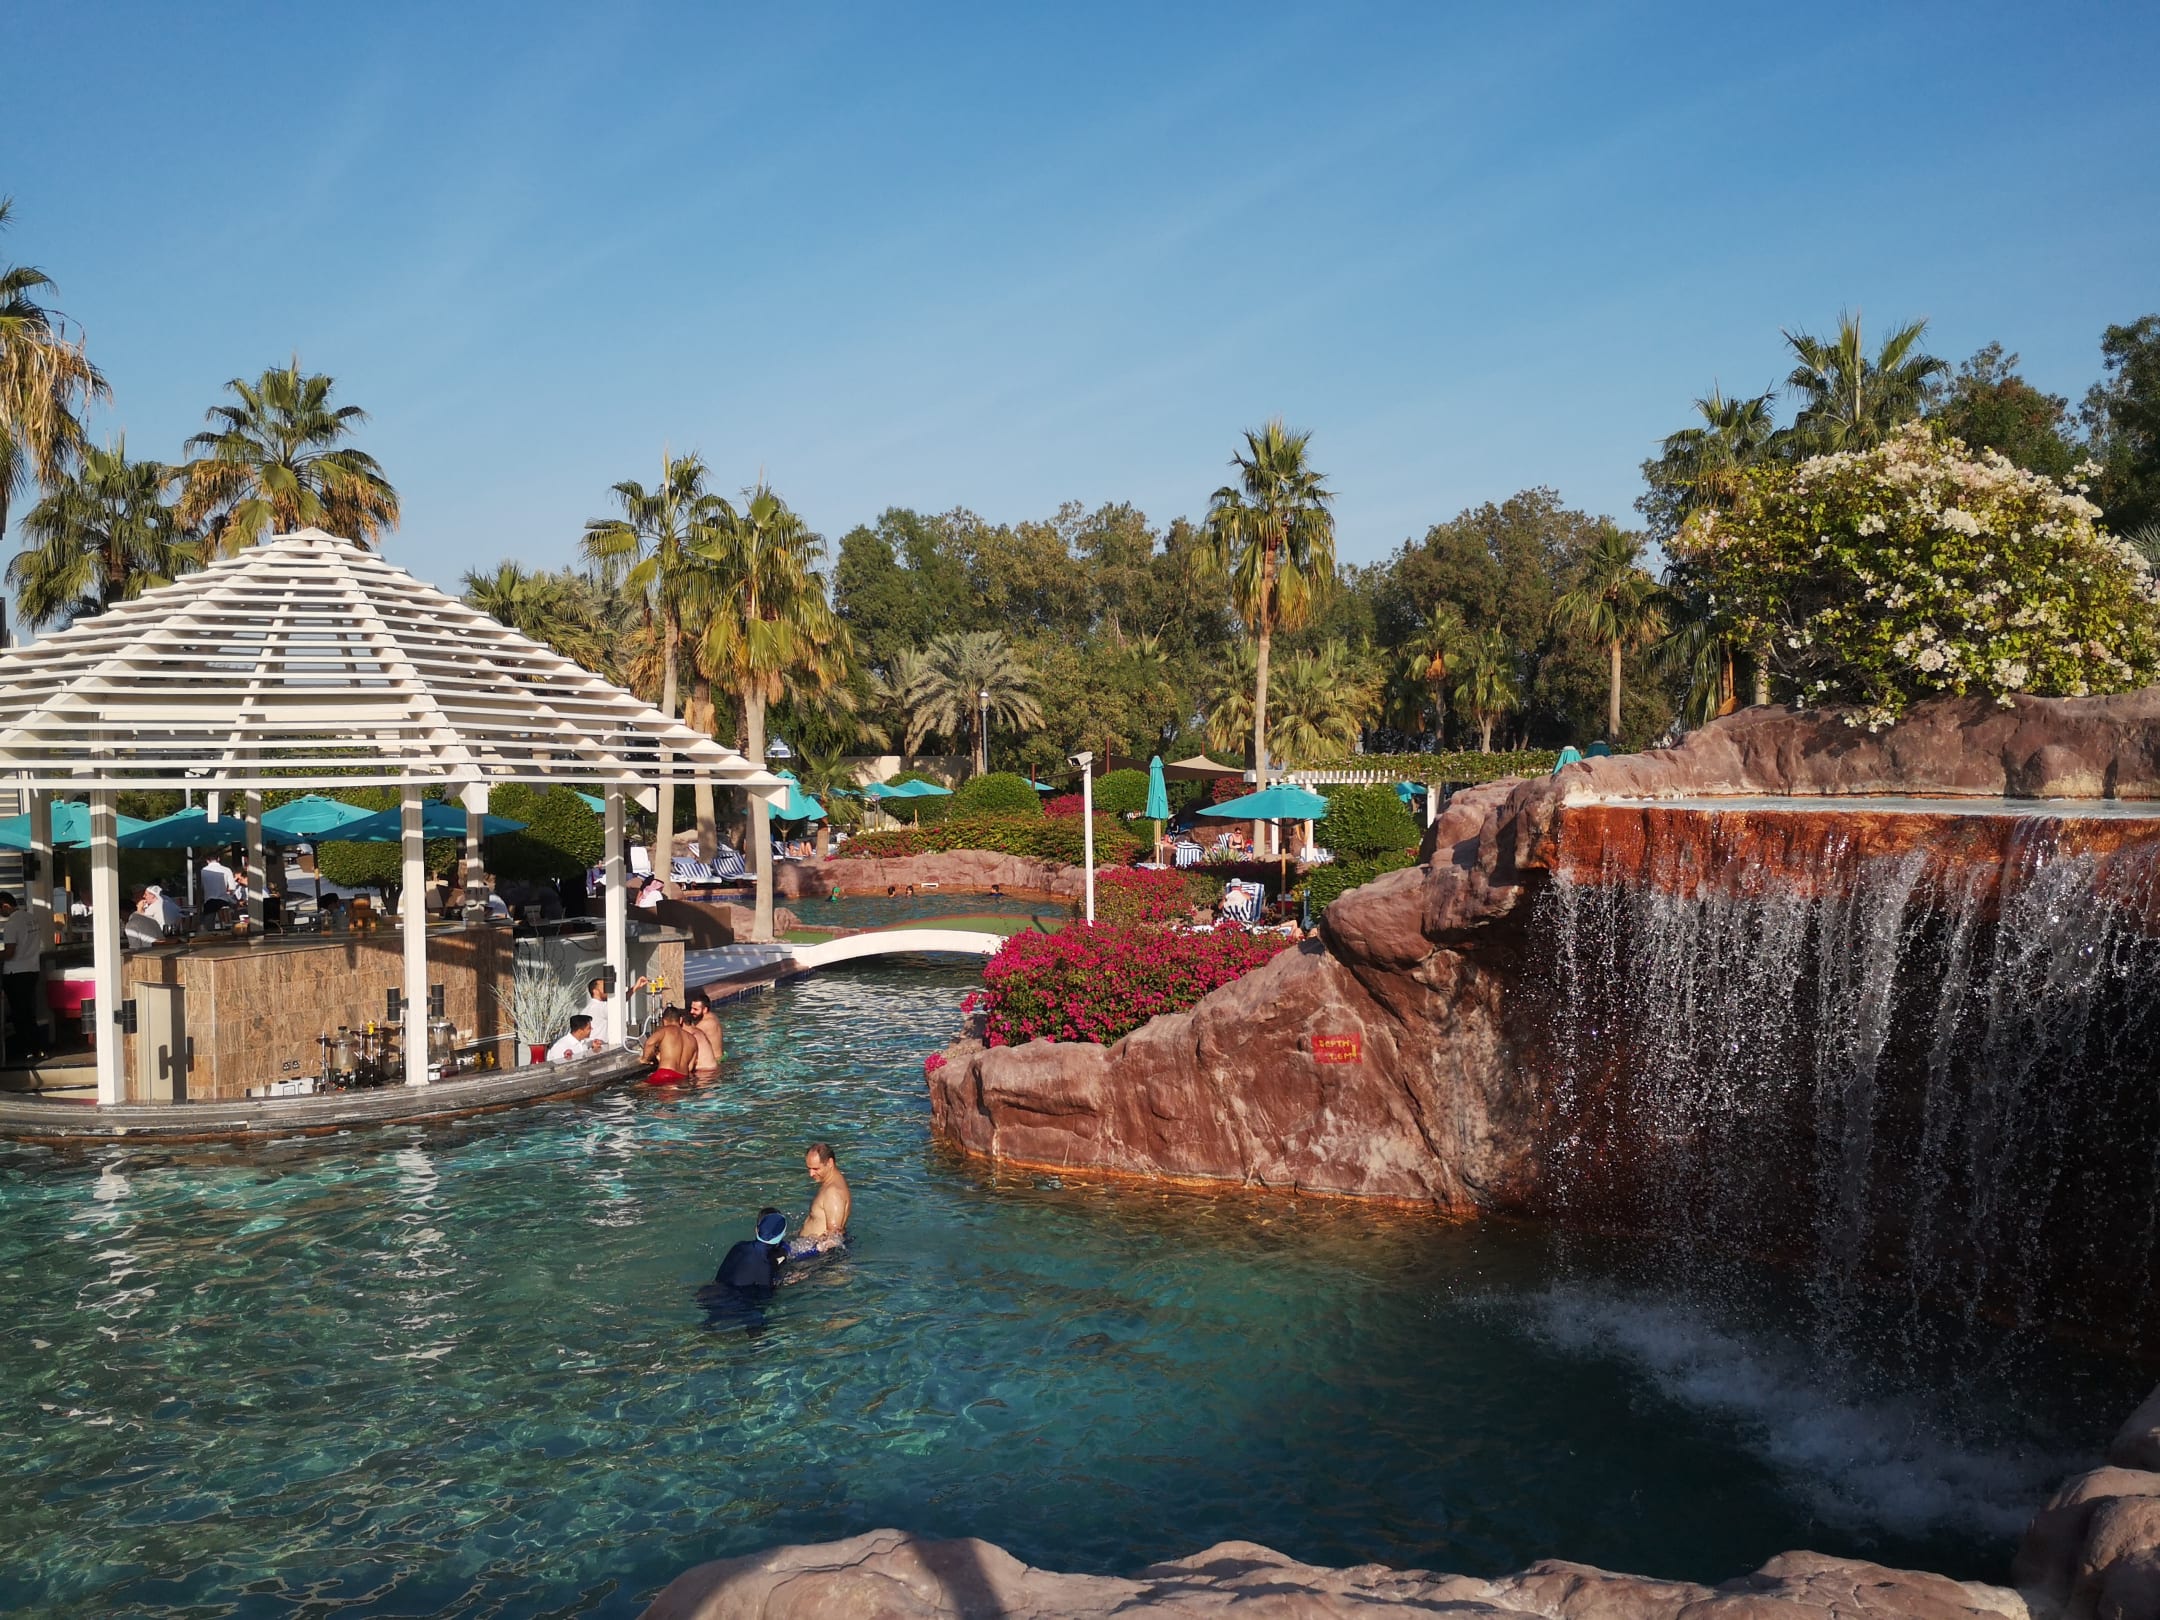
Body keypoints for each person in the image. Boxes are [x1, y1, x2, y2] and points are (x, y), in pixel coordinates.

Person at [0, 893, 46, 1061]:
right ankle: (37, 1048)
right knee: (29, 1012)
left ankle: (26, 1050)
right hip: (32, 970)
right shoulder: (32, 918)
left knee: (19, 1014)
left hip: (15, 973)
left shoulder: (11, 924)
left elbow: (9, 953)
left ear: (5, 906)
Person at [789, 1141, 850, 1258]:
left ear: (830, 1163)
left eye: (816, 1169)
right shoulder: (829, 1185)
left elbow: (834, 1236)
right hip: (810, 1250)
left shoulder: (833, 1193)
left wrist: (807, 1255)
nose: (811, 1174)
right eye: (809, 1168)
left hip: (816, 1258)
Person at [711, 1209, 790, 1294]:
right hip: (732, 1300)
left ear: (757, 1230)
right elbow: (765, 1297)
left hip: (709, 1292)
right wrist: (785, 1283)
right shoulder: (765, 1266)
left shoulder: (739, 1245)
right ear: (781, 1238)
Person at [639, 1006, 699, 1085]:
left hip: (666, 1073)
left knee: (638, 1088)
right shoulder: (692, 1039)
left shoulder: (665, 1031)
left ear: (664, 1021)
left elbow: (649, 1043)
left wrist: (645, 1059)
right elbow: (690, 1067)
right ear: (680, 1020)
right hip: (683, 1077)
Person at [685, 989, 724, 1078]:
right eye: (691, 1008)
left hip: (713, 1063)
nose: (691, 1012)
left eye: (695, 1009)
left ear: (705, 1009)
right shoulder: (713, 1016)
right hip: (721, 1057)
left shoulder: (704, 1024)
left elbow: (688, 1037)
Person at [199, 853, 235, 919]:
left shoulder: (202, 871)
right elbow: (232, 888)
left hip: (209, 902)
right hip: (223, 901)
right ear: (218, 859)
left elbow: (200, 888)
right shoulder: (227, 870)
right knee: (226, 922)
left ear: (207, 860)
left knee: (209, 923)